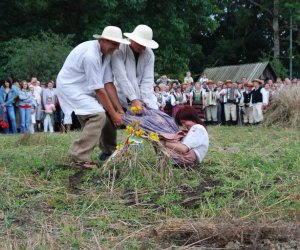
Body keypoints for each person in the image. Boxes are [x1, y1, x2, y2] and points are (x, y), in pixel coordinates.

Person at [56, 26, 129, 168]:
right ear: (103, 40)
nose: (117, 47)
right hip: (71, 87)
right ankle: (79, 156)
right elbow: (99, 90)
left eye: (118, 44)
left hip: (83, 87)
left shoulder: (106, 54)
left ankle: (109, 151)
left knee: (107, 113)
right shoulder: (91, 55)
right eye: (114, 43)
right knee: (98, 115)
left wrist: (118, 110)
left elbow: (108, 83)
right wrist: (114, 115)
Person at [111, 24, 159, 111]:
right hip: (119, 95)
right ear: (132, 39)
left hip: (141, 99)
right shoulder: (120, 49)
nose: (143, 48)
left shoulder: (149, 53)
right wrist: (133, 98)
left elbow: (147, 79)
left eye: (145, 45)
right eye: (141, 44)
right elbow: (121, 77)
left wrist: (143, 100)